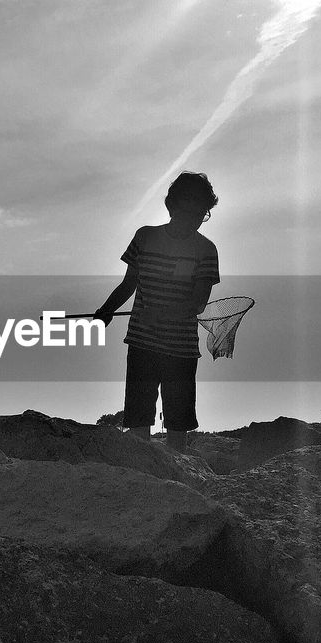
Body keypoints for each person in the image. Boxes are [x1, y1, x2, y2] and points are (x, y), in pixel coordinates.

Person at [94, 172, 220, 452]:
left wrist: (161, 314)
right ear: (172, 206)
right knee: (138, 419)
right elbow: (129, 283)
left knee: (177, 424)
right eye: (191, 211)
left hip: (181, 350)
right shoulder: (145, 237)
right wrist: (106, 310)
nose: (197, 219)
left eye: (203, 213)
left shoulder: (206, 250)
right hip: (142, 345)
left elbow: (198, 303)